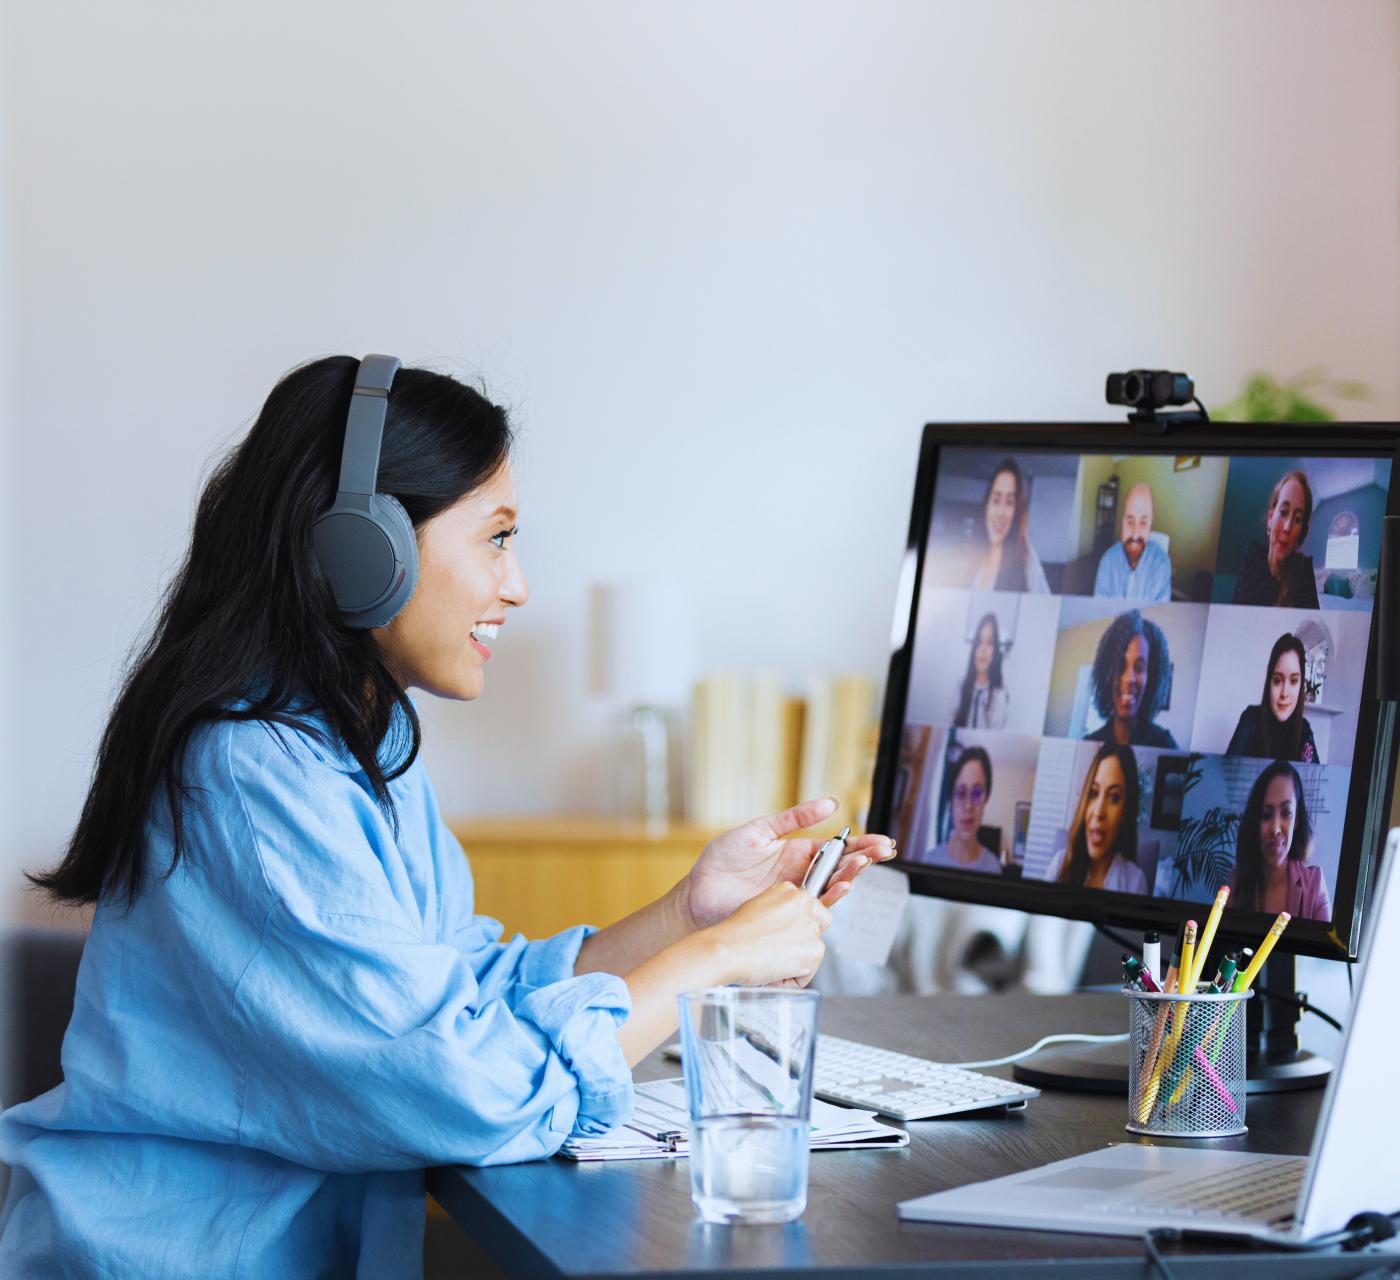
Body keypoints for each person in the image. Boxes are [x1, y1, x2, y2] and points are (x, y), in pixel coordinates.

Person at [0, 357, 895, 1278]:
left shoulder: (358, 739)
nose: (518, 586)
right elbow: (459, 1087)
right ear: (363, 546)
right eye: (496, 539)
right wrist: (715, 965)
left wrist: (688, 914)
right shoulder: (251, 770)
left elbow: (451, 992)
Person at [1230, 760, 1331, 922]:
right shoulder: (1236, 881)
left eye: (1286, 813)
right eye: (1266, 814)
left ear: (1297, 819)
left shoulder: (1314, 885)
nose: (1275, 828)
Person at [1044, 744, 1149, 894]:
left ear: (1125, 811)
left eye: (1114, 797)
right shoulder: (1059, 864)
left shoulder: (1135, 882)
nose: (1099, 812)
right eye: (1093, 793)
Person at [1084, 609, 1178, 748]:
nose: (1129, 679)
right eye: (1121, 666)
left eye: (1139, 668)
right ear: (1107, 674)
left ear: (1151, 678)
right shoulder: (1089, 743)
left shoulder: (1164, 744)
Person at [1231, 469, 1320, 608]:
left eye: (1297, 519)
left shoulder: (1304, 571)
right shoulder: (1253, 557)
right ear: (1270, 518)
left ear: (1301, 532)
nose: (1287, 527)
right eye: (1283, 512)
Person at [1225, 633, 1320, 763]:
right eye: (1277, 680)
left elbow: (1314, 779)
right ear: (1269, 682)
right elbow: (1227, 772)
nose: (1284, 693)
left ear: (1301, 685)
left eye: (1293, 681)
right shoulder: (1250, 720)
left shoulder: (1304, 730)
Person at [967, 457, 1050, 594]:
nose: (1000, 513)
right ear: (987, 505)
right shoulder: (974, 554)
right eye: (996, 500)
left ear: (1017, 510)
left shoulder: (1026, 556)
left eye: (1010, 502)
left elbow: (1046, 607)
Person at [925, 746, 1002, 874]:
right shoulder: (929, 861)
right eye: (961, 793)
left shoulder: (994, 868)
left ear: (986, 799)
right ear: (951, 800)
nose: (968, 806)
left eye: (977, 793)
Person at [1092, 482, 1172, 603]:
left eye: (1143, 523)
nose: (1135, 534)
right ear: (1122, 522)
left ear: (1151, 526)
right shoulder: (1107, 562)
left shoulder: (1162, 565)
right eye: (1130, 522)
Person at [953, 612, 1009, 729]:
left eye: (989, 643)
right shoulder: (959, 687)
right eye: (979, 642)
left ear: (995, 650)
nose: (983, 650)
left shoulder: (1000, 694)